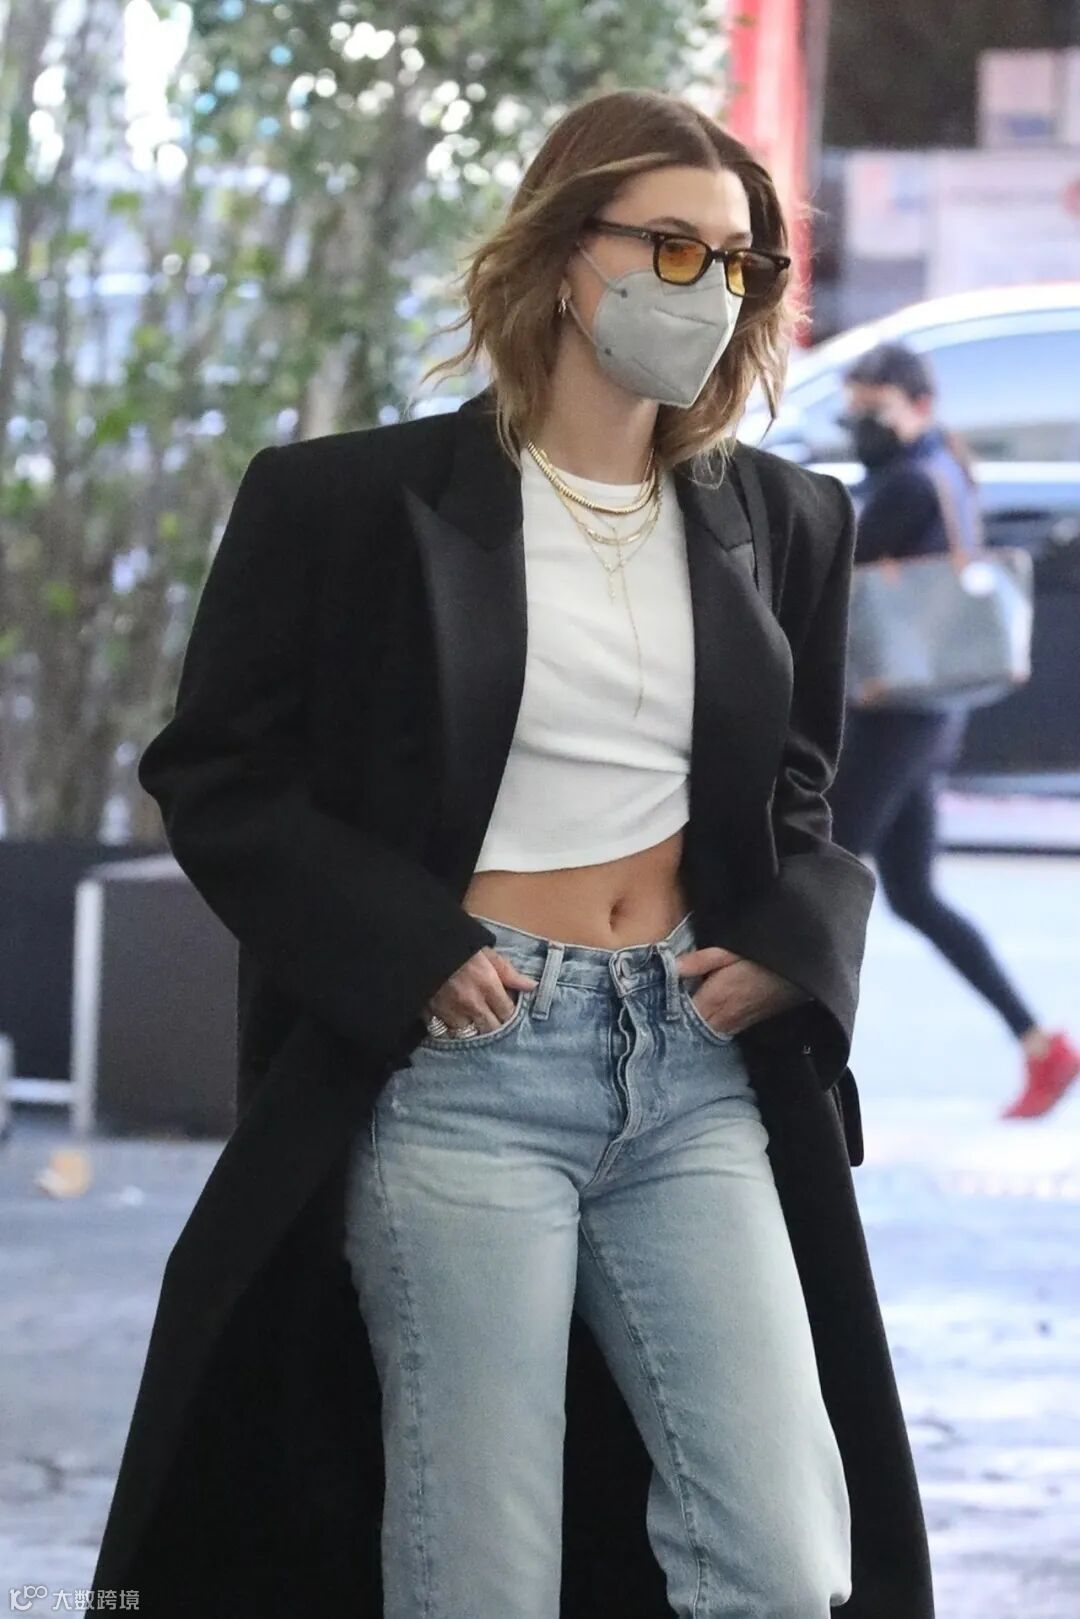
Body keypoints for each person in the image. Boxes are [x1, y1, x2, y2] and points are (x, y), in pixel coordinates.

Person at [92, 91, 935, 1618]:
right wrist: (404, 947)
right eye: (670, 245)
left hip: (690, 1069)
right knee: (480, 1562)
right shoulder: (350, 504)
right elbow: (216, 774)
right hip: (467, 1071)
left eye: (736, 259)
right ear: (561, 253)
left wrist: (794, 951)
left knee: (783, 1554)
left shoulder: (785, 518)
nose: (707, 287)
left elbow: (798, 800)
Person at [828, 341, 1080, 1120]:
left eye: (874, 410)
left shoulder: (909, 483)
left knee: (820, 878)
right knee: (911, 893)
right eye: (853, 410)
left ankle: (795, 1061)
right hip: (927, 710)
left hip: (895, 713)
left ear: (919, 406)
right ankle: (1042, 1045)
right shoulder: (942, 467)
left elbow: (838, 566)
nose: (861, 425)